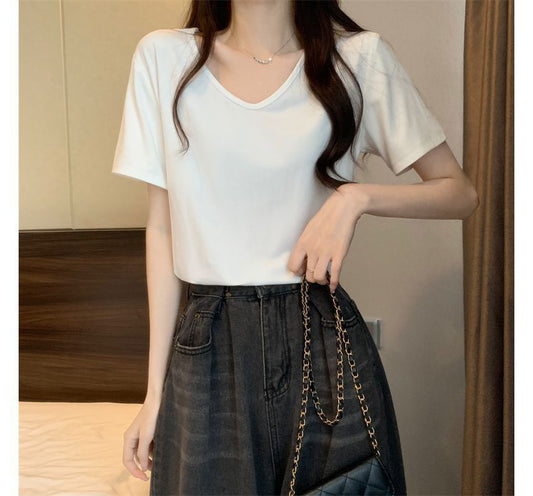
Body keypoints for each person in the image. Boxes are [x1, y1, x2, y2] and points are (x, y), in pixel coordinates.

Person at [112, 1, 479, 495]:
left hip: (322, 338)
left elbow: (460, 193)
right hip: (208, 344)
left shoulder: (359, 60)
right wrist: (154, 393)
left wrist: (355, 198)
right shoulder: (164, 59)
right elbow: (161, 229)